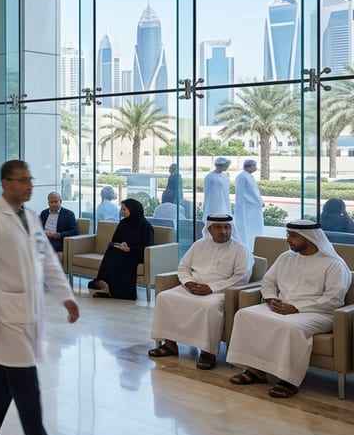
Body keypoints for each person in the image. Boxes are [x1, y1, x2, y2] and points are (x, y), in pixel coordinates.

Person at [0, 159, 80, 435]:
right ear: (6, 183)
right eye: (22, 180)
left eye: (30, 179)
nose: (29, 185)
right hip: (5, 316)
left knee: (3, 377)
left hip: (29, 313)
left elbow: (47, 263)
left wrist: (67, 297)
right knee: (27, 390)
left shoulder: (32, 218)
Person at [227, 219, 351, 399]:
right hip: (282, 306)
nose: (288, 240)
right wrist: (271, 298)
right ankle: (256, 371)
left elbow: (333, 299)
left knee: (290, 327)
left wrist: (296, 308)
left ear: (309, 238)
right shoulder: (285, 257)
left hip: (319, 313)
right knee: (244, 315)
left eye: (293, 236)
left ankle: (289, 380)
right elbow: (268, 281)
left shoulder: (333, 264)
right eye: (288, 234)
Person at [148, 214, 252, 371]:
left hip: (220, 292)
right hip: (192, 287)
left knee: (209, 308)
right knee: (164, 297)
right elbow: (183, 267)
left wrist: (211, 288)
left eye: (227, 227)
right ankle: (170, 345)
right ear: (209, 229)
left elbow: (241, 278)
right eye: (218, 227)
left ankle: (208, 352)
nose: (223, 231)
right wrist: (189, 283)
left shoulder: (240, 250)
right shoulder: (199, 245)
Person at [87, 198, 154, 300]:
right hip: (122, 252)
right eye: (121, 209)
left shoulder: (145, 226)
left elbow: (147, 247)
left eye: (124, 209)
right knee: (112, 250)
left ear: (133, 210)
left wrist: (130, 249)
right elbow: (114, 240)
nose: (122, 212)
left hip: (136, 255)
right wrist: (120, 245)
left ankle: (106, 284)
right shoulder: (123, 223)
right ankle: (105, 285)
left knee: (115, 255)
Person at [233, 159, 263, 248]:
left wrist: (259, 201)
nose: (256, 168)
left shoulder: (247, 176)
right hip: (247, 207)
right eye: (254, 166)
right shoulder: (243, 177)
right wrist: (258, 201)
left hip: (252, 206)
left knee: (252, 226)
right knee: (246, 226)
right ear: (249, 166)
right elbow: (246, 193)